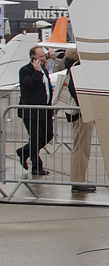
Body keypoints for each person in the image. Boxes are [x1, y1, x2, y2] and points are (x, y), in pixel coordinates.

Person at [57, 49, 95, 192]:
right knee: (81, 148)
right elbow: (75, 90)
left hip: (77, 113)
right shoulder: (77, 68)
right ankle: (78, 180)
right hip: (80, 113)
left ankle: (78, 179)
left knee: (80, 146)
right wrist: (85, 105)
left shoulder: (70, 68)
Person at [17, 45, 54, 176]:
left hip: (45, 109)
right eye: (41, 56)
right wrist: (37, 72)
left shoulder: (44, 70)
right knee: (35, 137)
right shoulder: (25, 70)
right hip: (31, 111)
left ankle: (24, 151)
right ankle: (36, 166)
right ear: (34, 58)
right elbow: (29, 85)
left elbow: (47, 89)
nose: (44, 58)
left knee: (48, 135)